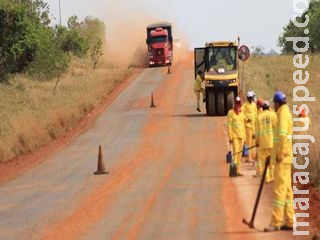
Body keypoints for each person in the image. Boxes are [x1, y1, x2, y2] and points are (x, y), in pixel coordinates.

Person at [264, 91, 295, 232]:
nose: (273, 106)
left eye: (274, 103)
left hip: (282, 159)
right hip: (285, 158)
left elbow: (282, 137)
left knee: (279, 191)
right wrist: (271, 157)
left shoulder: (283, 115)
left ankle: (275, 222)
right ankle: (290, 221)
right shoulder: (284, 113)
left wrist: (279, 155)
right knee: (287, 191)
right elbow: (279, 140)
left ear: (277, 103)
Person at [255, 101, 276, 182]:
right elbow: (276, 128)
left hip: (262, 143)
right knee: (272, 161)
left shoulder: (259, 117)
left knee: (264, 162)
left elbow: (257, 132)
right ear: (269, 107)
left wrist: (257, 141)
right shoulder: (273, 115)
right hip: (272, 142)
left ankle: (266, 178)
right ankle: (272, 177)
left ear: (262, 108)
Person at [227, 96, 246, 176]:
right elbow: (229, 126)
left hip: (241, 136)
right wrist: (230, 137)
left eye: (239, 104)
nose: (238, 105)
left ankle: (238, 171)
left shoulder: (242, 113)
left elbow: (243, 125)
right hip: (234, 136)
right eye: (236, 103)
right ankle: (233, 171)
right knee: (235, 153)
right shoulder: (230, 113)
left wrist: (245, 137)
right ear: (234, 104)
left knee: (240, 155)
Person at [242, 91, 258, 162]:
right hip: (248, 126)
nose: (250, 99)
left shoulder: (254, 105)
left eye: (251, 98)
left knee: (253, 142)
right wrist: (246, 119)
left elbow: (256, 114)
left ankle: (252, 156)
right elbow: (241, 113)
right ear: (247, 98)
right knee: (248, 142)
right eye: (249, 98)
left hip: (253, 126)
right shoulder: (245, 105)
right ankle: (248, 157)